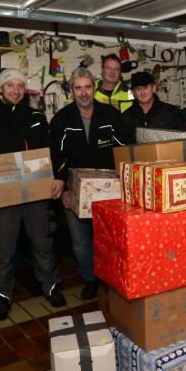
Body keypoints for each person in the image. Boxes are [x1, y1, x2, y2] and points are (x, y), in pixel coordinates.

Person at [0, 68, 66, 321]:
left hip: (36, 194)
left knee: (43, 243)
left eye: (20, 85)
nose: (16, 90)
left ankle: (51, 286)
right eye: (10, 85)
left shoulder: (36, 117)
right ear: (0, 88)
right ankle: (1, 295)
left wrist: (60, 178)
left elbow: (53, 152)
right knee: (2, 249)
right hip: (2, 196)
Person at [49, 67, 134, 299]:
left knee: (107, 237)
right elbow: (56, 157)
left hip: (108, 190)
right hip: (74, 190)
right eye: (78, 87)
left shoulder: (111, 115)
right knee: (79, 242)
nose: (84, 92)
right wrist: (65, 188)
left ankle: (108, 278)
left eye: (87, 87)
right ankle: (89, 278)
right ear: (71, 90)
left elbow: (126, 148)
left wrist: (125, 182)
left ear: (94, 88)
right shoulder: (61, 120)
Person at [122, 71, 186, 131]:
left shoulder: (172, 112)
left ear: (153, 88)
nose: (142, 92)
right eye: (138, 89)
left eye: (145, 88)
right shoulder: (126, 117)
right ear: (134, 92)